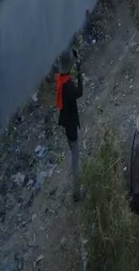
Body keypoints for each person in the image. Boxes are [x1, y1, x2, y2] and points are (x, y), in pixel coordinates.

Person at [55, 49, 85, 202]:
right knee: (75, 160)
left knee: (73, 154)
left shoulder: (61, 79)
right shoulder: (67, 86)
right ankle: (76, 193)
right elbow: (79, 92)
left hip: (67, 125)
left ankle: (76, 189)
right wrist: (79, 71)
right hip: (71, 127)